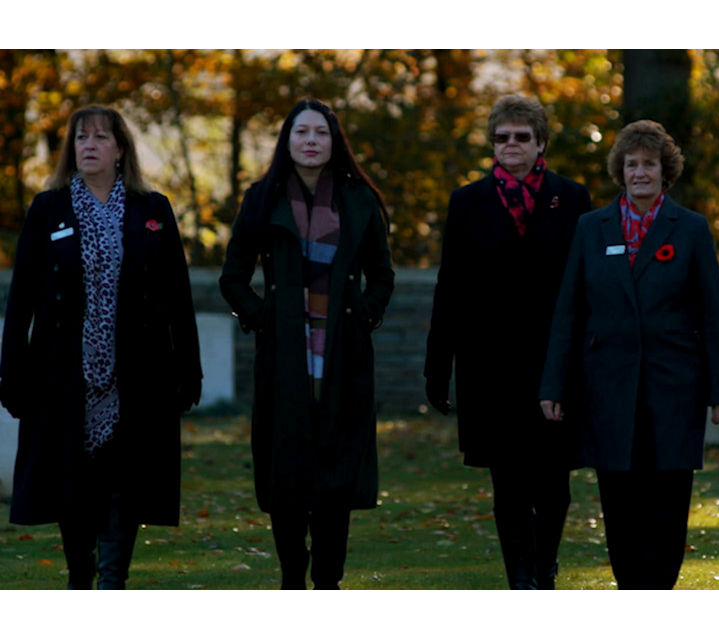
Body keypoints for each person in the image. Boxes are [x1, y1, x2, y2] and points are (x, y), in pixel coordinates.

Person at [0, 105, 202, 589]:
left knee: (124, 483)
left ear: (120, 150)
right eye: (80, 138)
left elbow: (178, 296)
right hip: (62, 374)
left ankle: (114, 581)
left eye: (99, 138)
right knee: (72, 483)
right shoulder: (48, 209)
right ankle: (79, 578)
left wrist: (188, 370)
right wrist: (11, 373)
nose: (87, 146)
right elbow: (21, 299)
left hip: (138, 373)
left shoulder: (152, 210)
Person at [539, 120, 719, 589]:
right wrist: (553, 384)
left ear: (665, 171)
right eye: (631, 164)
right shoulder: (592, 228)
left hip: (675, 391)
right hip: (608, 389)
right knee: (620, 504)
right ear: (620, 171)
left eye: (649, 164)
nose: (640, 173)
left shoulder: (689, 229)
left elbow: (712, 314)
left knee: (668, 503)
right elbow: (569, 311)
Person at [220, 99, 394, 589]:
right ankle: (292, 580)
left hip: (343, 352)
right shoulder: (262, 197)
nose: (312, 141)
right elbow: (233, 278)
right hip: (285, 355)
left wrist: (363, 314)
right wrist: (264, 318)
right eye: (302, 132)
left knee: (337, 474)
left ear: (335, 140)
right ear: (287, 140)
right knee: (287, 474)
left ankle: (329, 583)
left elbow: (382, 274)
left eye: (321, 132)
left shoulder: (359, 200)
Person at [424, 95, 592, 589]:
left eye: (522, 137)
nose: (511, 145)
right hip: (488, 364)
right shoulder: (467, 202)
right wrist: (438, 366)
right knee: (509, 482)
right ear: (492, 143)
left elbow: (585, 286)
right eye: (502, 137)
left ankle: (545, 566)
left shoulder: (572, 198)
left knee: (554, 483)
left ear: (540, 143)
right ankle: (520, 579)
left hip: (552, 363)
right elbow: (449, 285)